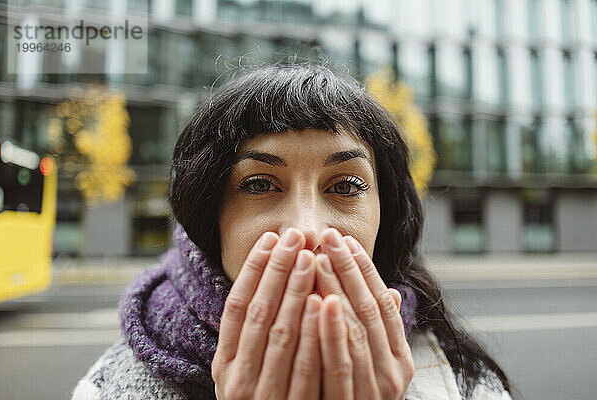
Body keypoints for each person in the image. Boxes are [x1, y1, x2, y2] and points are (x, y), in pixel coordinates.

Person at [72, 62, 519, 400]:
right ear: (211, 218)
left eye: (345, 185)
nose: (306, 229)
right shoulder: (109, 388)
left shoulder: (464, 382)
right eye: (260, 184)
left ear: (386, 215)